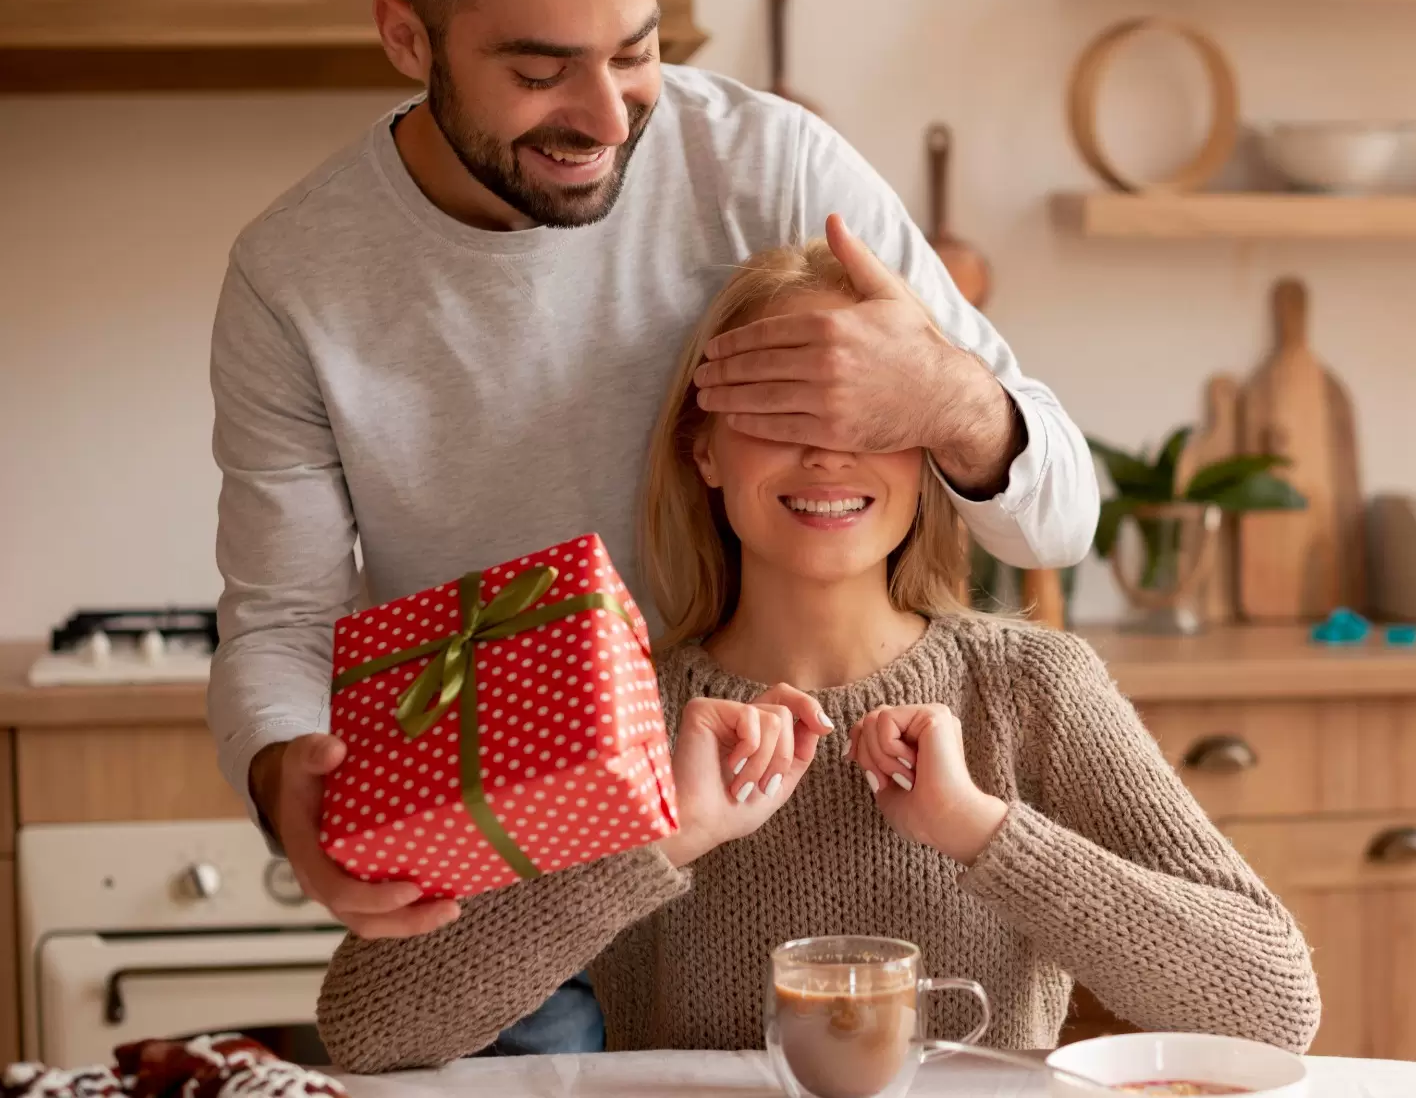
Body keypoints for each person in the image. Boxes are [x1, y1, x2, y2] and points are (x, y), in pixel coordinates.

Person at [207, 0, 1099, 1058]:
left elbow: (1056, 510)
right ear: (406, 37)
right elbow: (283, 622)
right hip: (523, 892)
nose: (608, 116)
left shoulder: (775, 167)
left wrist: (943, 396)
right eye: (538, 71)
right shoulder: (293, 276)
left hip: (776, 824)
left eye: (637, 53)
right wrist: (285, 779)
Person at [313, 241, 1322, 1073]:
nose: (829, 454)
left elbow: (1275, 1002)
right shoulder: (620, 706)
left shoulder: (1031, 688)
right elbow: (366, 1026)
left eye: (871, 419)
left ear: (925, 451)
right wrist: (664, 836)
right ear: (703, 451)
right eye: (778, 415)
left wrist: (980, 829)